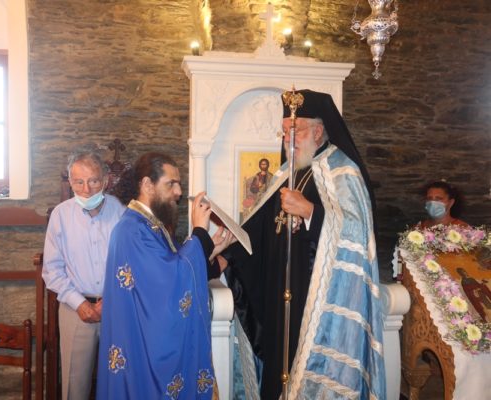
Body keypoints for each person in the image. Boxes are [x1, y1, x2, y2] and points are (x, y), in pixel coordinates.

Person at [222, 89, 386, 399]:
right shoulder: (286, 173)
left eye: (295, 131)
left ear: (318, 131)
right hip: (278, 296)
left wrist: (310, 211)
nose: (288, 139)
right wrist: (226, 255)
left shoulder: (342, 170)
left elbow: (358, 233)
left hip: (316, 300)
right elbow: (257, 230)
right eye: (285, 131)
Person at [96, 152, 233, 399]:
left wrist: (210, 249)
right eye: (171, 184)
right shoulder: (132, 230)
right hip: (140, 348)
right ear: (147, 185)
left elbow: (174, 264)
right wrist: (199, 232)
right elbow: (170, 281)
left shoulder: (149, 225)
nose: (179, 192)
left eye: (178, 184)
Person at [42, 149, 125, 400]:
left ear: (106, 180)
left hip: (116, 308)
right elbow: (52, 269)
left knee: (120, 381)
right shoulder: (60, 215)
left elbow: (129, 264)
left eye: (93, 181)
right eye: (79, 182)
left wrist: (110, 300)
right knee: (74, 384)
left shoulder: (121, 213)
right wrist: (80, 303)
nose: (86, 189)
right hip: (74, 308)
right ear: (70, 182)